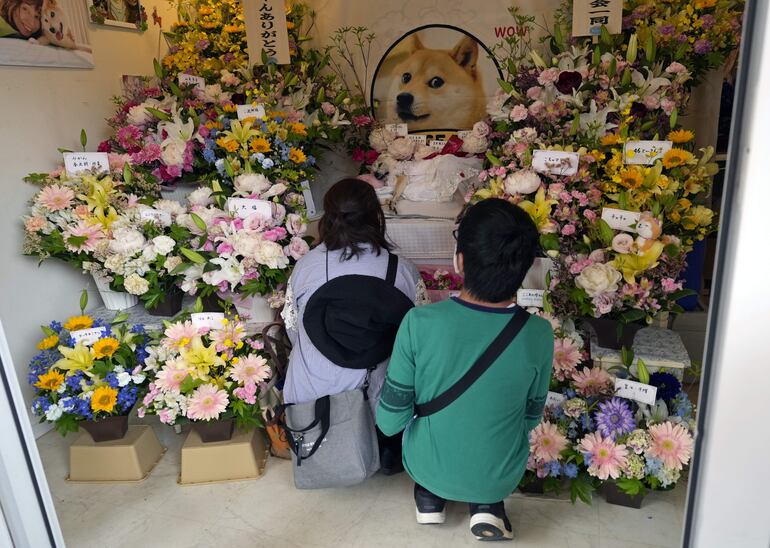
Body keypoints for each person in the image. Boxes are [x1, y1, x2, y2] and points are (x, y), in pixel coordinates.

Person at [376, 198, 554, 541]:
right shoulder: (539, 333)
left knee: (424, 434)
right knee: (497, 442)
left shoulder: (419, 323)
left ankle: (429, 496)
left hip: (427, 463)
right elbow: (531, 417)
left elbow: (390, 419)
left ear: (460, 261)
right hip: (499, 473)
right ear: (526, 266)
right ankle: (487, 505)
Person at [281, 178, 430, 474]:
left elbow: (293, 330)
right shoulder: (399, 269)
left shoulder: (306, 267)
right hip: (378, 408)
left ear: (327, 216)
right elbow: (420, 339)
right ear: (376, 215)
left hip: (312, 402)